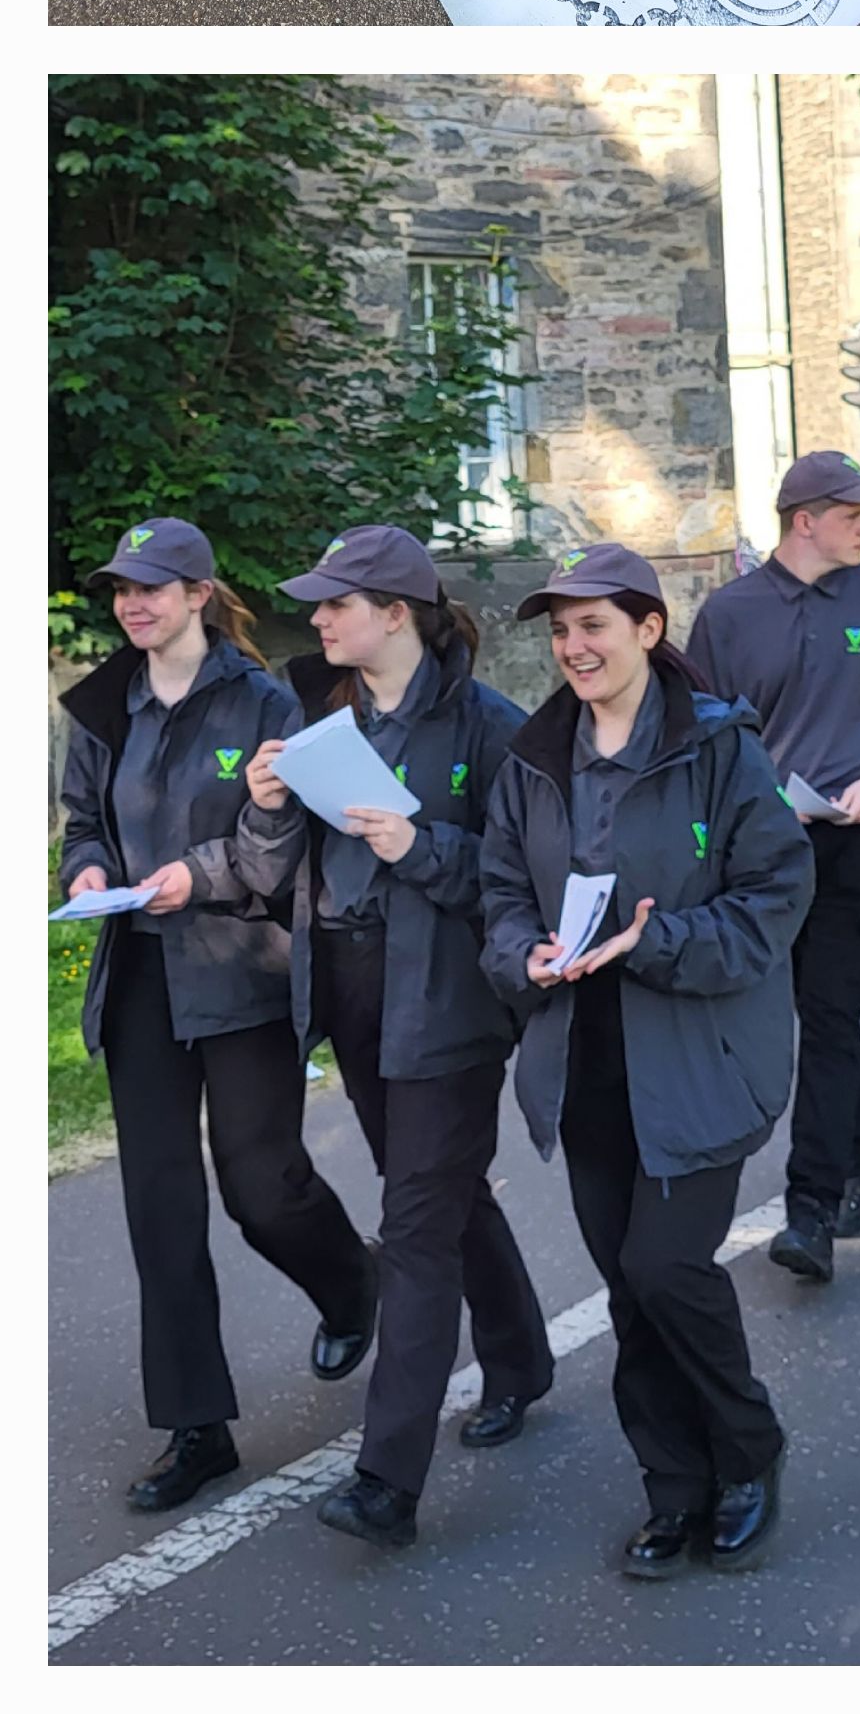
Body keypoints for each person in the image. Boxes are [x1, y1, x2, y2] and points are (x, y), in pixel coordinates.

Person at [478, 544, 814, 1578]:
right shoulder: (533, 757)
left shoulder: (720, 749)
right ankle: (673, 1488)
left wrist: (656, 943)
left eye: (595, 626)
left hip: (701, 1054)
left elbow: (774, 897)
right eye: (561, 630)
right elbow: (499, 892)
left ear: (649, 631)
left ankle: (748, 1454)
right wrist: (522, 955)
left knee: (663, 1266)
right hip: (582, 1060)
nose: (574, 647)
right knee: (628, 1291)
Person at [233, 525, 554, 1549]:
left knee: (413, 1228)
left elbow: (519, 887)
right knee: (443, 1192)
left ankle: (387, 1480)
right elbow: (275, 872)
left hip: (451, 1005)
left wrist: (424, 846)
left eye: (338, 603)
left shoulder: (490, 728)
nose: (319, 619)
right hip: (351, 994)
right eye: (318, 604)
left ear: (397, 613)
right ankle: (521, 1360)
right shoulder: (319, 716)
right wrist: (269, 809)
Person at [57, 519, 380, 1517]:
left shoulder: (266, 700)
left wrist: (186, 878)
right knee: (160, 1206)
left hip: (243, 969)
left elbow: (283, 844)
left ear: (199, 593)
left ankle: (353, 1287)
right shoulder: (104, 706)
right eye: (121, 588)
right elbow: (79, 823)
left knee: (262, 1187)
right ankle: (197, 1428)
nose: (132, 603)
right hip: (143, 978)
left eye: (153, 587)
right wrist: (92, 871)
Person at [690, 453, 860, 1279]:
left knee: (831, 1012)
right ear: (805, 519)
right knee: (798, 1010)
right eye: (854, 513)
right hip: (768, 842)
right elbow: (703, 739)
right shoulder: (728, 616)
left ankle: (812, 1211)